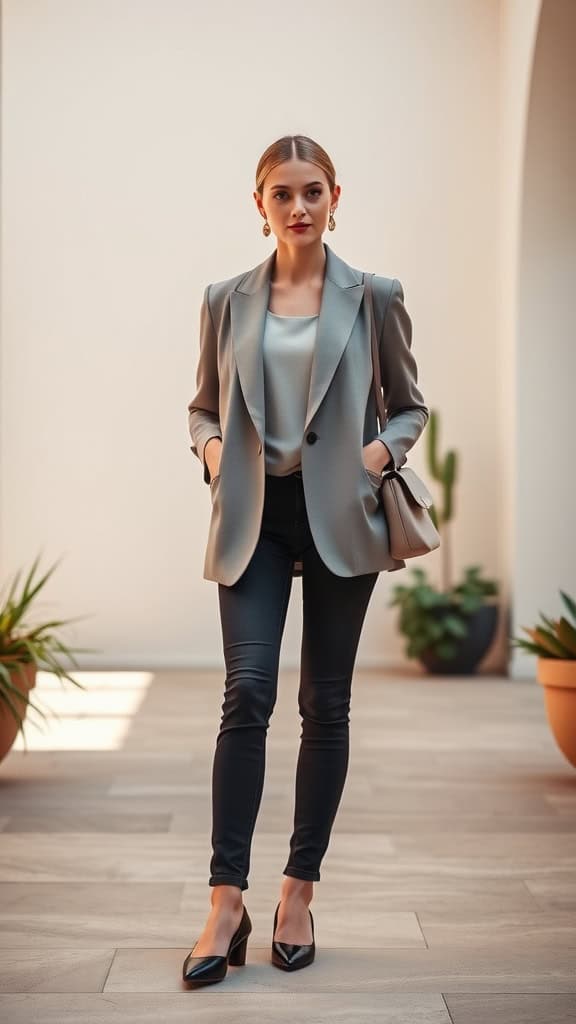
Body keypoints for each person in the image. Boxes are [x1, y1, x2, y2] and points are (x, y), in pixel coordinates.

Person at [183, 134, 429, 987]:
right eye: (281, 193)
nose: (297, 206)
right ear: (259, 205)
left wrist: (377, 458)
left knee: (325, 703)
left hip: (341, 515)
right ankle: (225, 901)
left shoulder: (373, 296)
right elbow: (201, 408)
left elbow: (409, 407)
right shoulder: (224, 300)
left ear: (335, 198)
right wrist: (213, 452)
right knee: (245, 693)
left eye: (312, 191)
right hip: (254, 516)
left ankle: (296, 891)